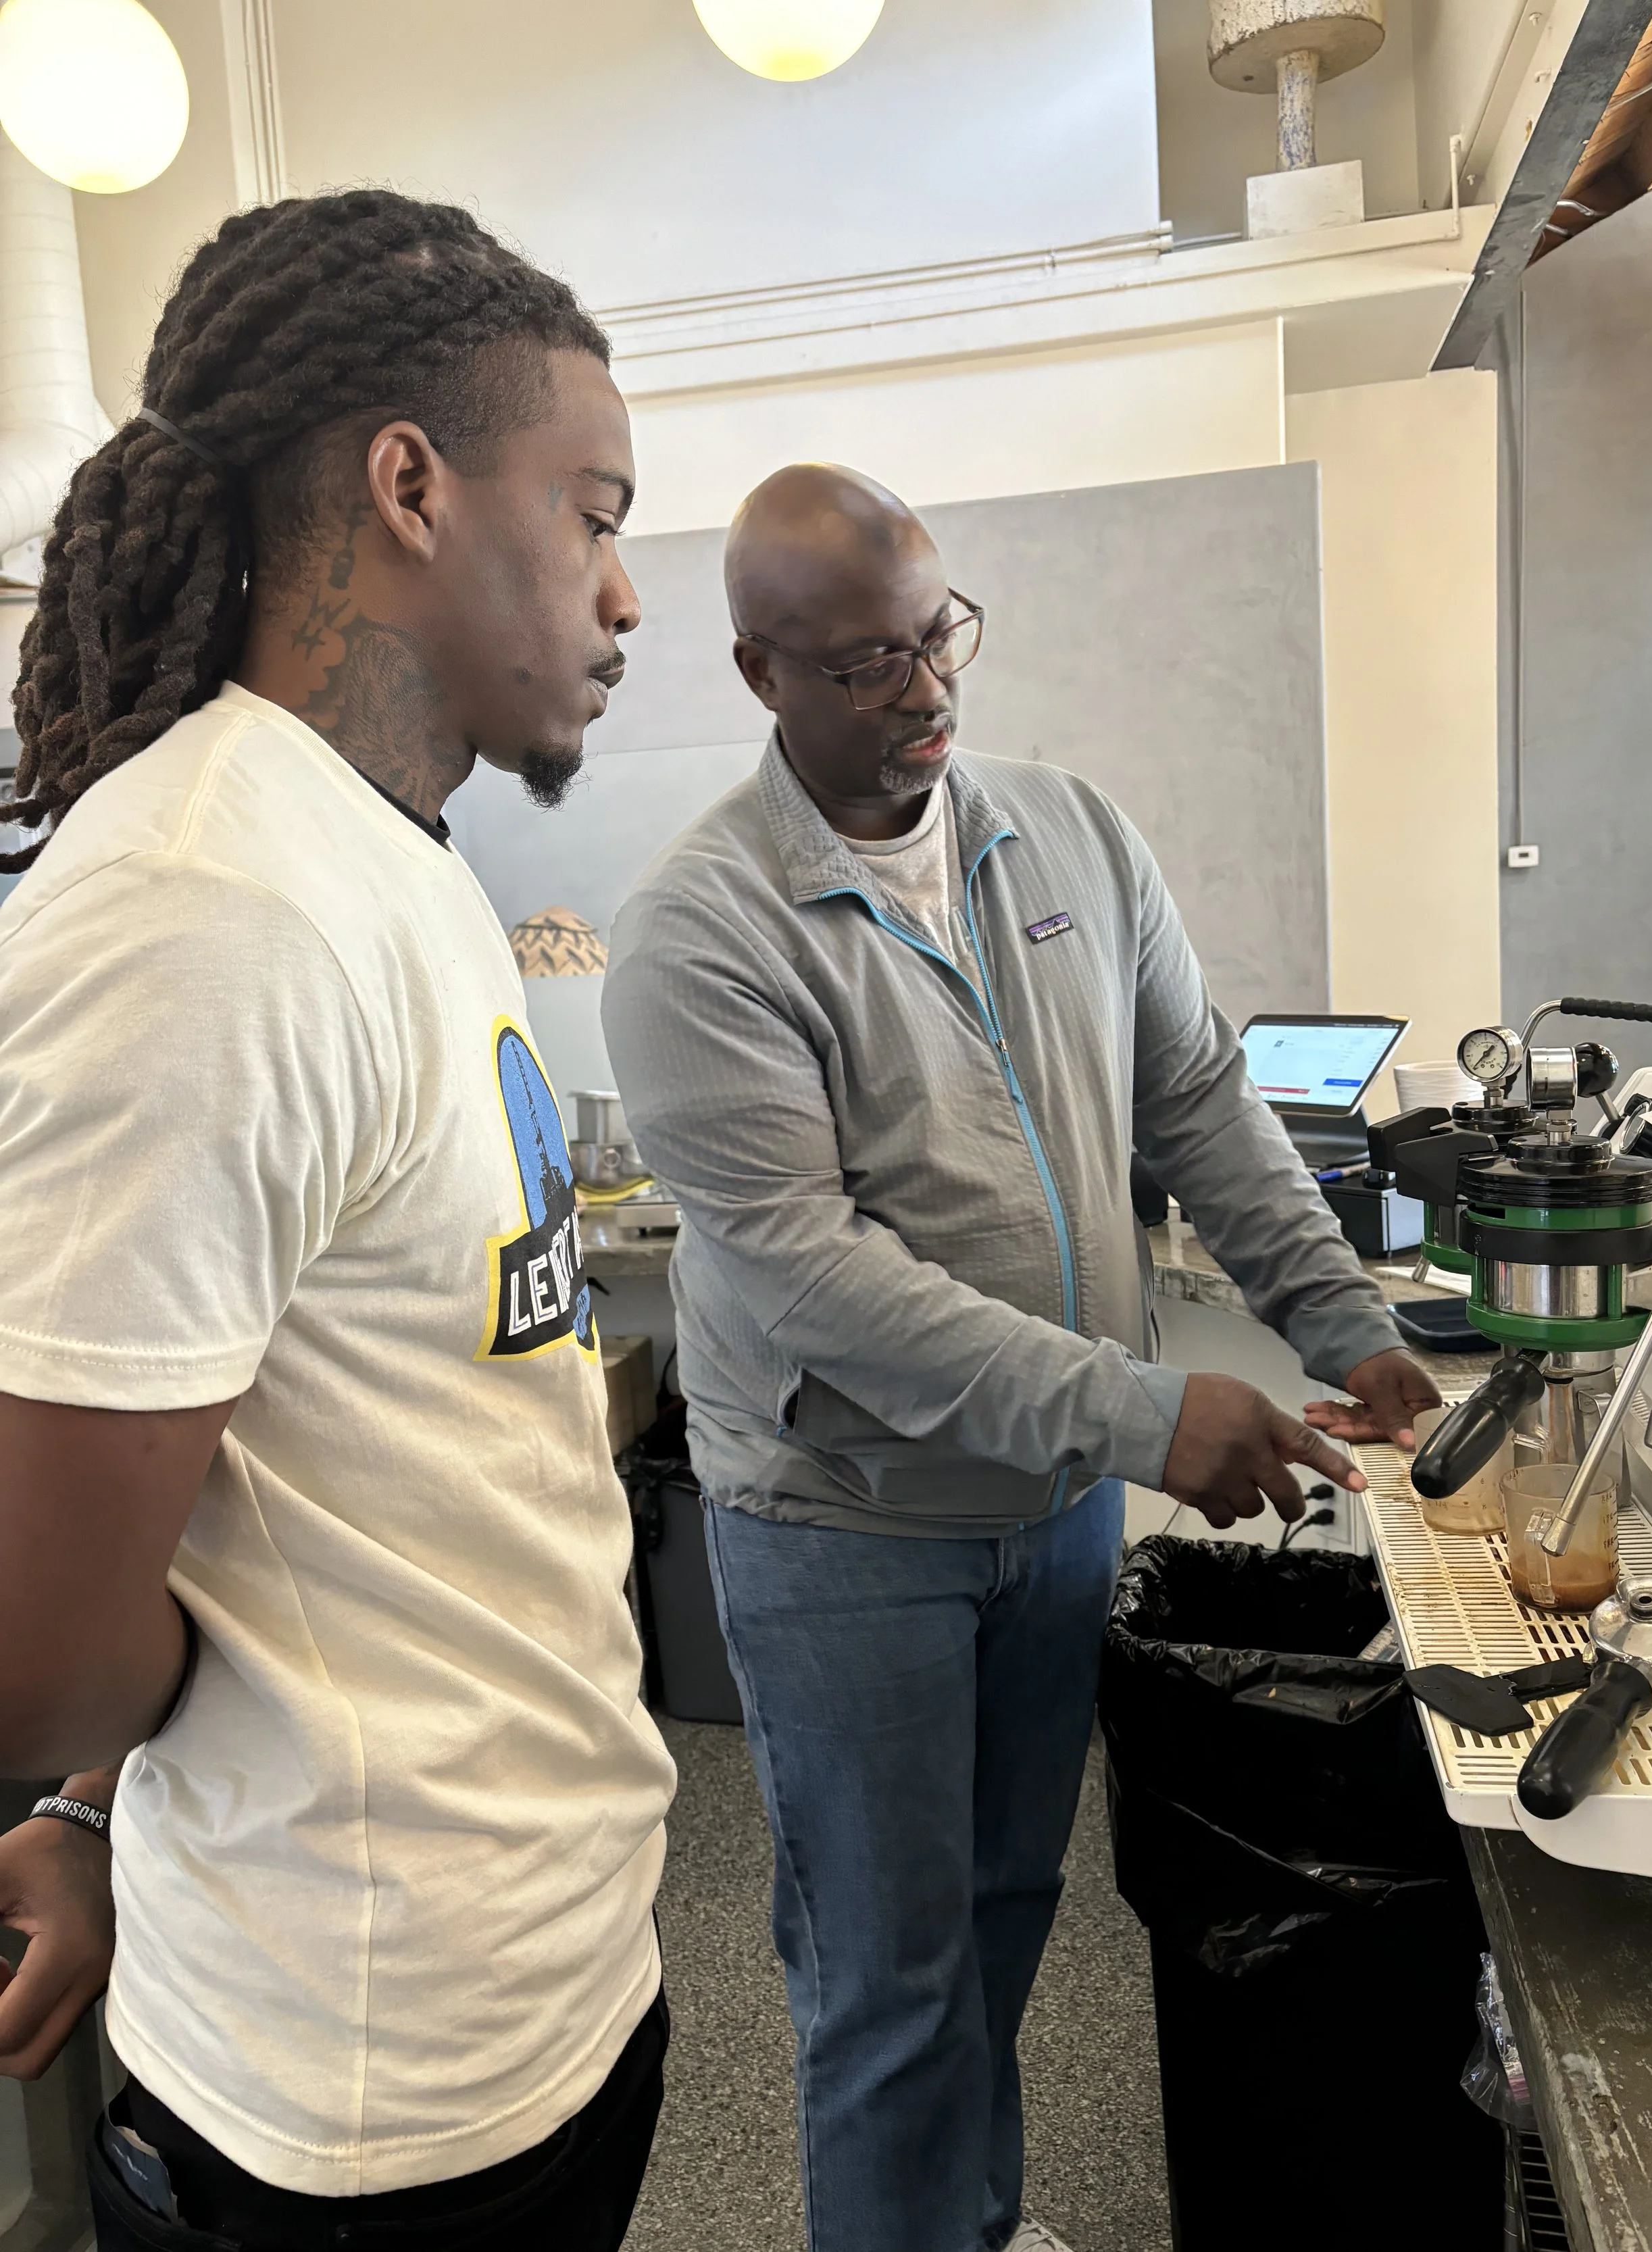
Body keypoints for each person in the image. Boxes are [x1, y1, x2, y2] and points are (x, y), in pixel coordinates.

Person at [601, 463, 1441, 2252]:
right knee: (887, 1981)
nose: (922, 692)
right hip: (846, 1527)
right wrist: (1144, 1410)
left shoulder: (1061, 831)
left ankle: (965, 2227)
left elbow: (1199, 1100)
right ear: (759, 671)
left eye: (937, 639)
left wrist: (1344, 1322)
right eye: (861, 665)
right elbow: (822, 1283)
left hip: (1046, 1511)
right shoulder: (702, 930)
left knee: (997, 1914)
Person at [0, 190, 674, 2249]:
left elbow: (297, 1447)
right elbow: (40, 1649)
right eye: (593, 508)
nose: (626, 592)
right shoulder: (202, 907)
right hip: (364, 2084)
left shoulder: (389, 859)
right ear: (408, 486)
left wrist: (88, 1790)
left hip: (541, 1968)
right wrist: (72, 1774)